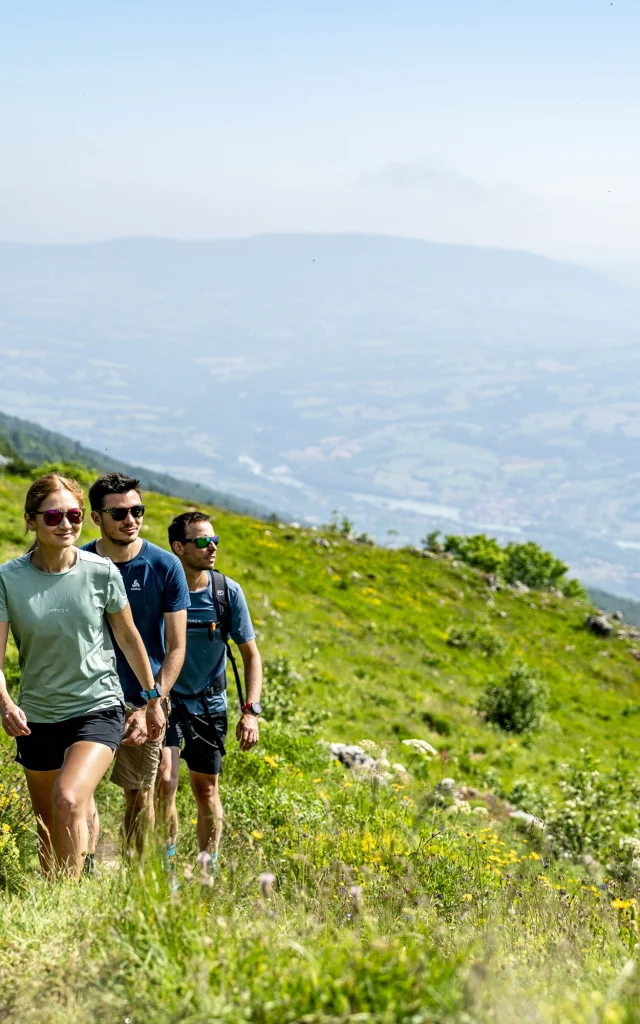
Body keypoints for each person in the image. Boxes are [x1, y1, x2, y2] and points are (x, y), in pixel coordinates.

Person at [0, 472, 162, 878]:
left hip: (97, 706)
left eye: (73, 515)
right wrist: (5, 703)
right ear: (31, 520)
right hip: (37, 714)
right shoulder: (8, 579)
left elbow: (129, 638)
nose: (66, 524)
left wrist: (152, 699)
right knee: (47, 824)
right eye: (53, 516)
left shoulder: (101, 571)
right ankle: (57, 894)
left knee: (69, 798)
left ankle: (67, 896)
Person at [82, 473, 189, 855]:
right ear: (97, 518)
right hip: (86, 696)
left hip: (142, 699)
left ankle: (134, 875)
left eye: (137, 511)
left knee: (139, 795)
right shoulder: (80, 563)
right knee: (80, 791)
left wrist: (151, 703)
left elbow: (176, 647)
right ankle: (82, 867)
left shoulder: (165, 565)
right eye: (119, 513)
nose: (131, 520)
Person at [157, 511, 262, 868]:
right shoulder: (162, 589)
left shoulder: (226, 593)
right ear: (178, 547)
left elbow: (251, 655)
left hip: (209, 703)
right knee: (165, 781)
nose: (212, 547)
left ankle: (208, 869)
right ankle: (167, 868)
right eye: (203, 541)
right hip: (167, 701)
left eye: (214, 540)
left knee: (207, 790)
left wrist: (251, 711)